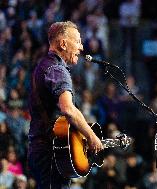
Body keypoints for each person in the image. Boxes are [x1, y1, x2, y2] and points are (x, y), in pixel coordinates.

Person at [27, 21, 103, 189]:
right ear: (63, 43)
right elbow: (68, 109)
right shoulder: (57, 70)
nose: (81, 47)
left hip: (41, 150)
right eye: (77, 41)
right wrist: (91, 136)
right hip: (51, 153)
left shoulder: (43, 66)